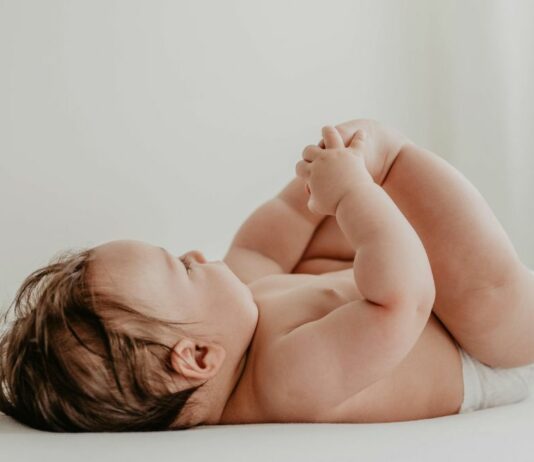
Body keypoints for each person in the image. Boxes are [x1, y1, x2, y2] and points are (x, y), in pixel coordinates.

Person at [1, 119, 533, 432]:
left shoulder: (236, 314)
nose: (196, 253)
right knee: (484, 296)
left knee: (315, 240)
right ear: (198, 358)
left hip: (418, 308)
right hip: (484, 353)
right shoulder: (285, 379)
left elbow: (266, 239)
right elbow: (405, 300)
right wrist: (359, 189)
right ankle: (398, 158)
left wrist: (320, 178)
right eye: (183, 267)